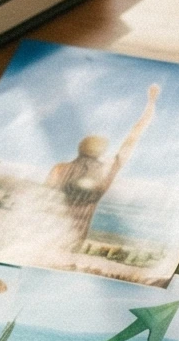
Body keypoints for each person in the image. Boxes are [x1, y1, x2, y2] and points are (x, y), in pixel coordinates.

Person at [39, 83, 160, 258]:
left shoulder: (60, 169)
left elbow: (42, 200)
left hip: (46, 231)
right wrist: (151, 102)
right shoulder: (107, 170)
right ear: (101, 153)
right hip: (74, 238)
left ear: (80, 148)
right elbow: (135, 134)